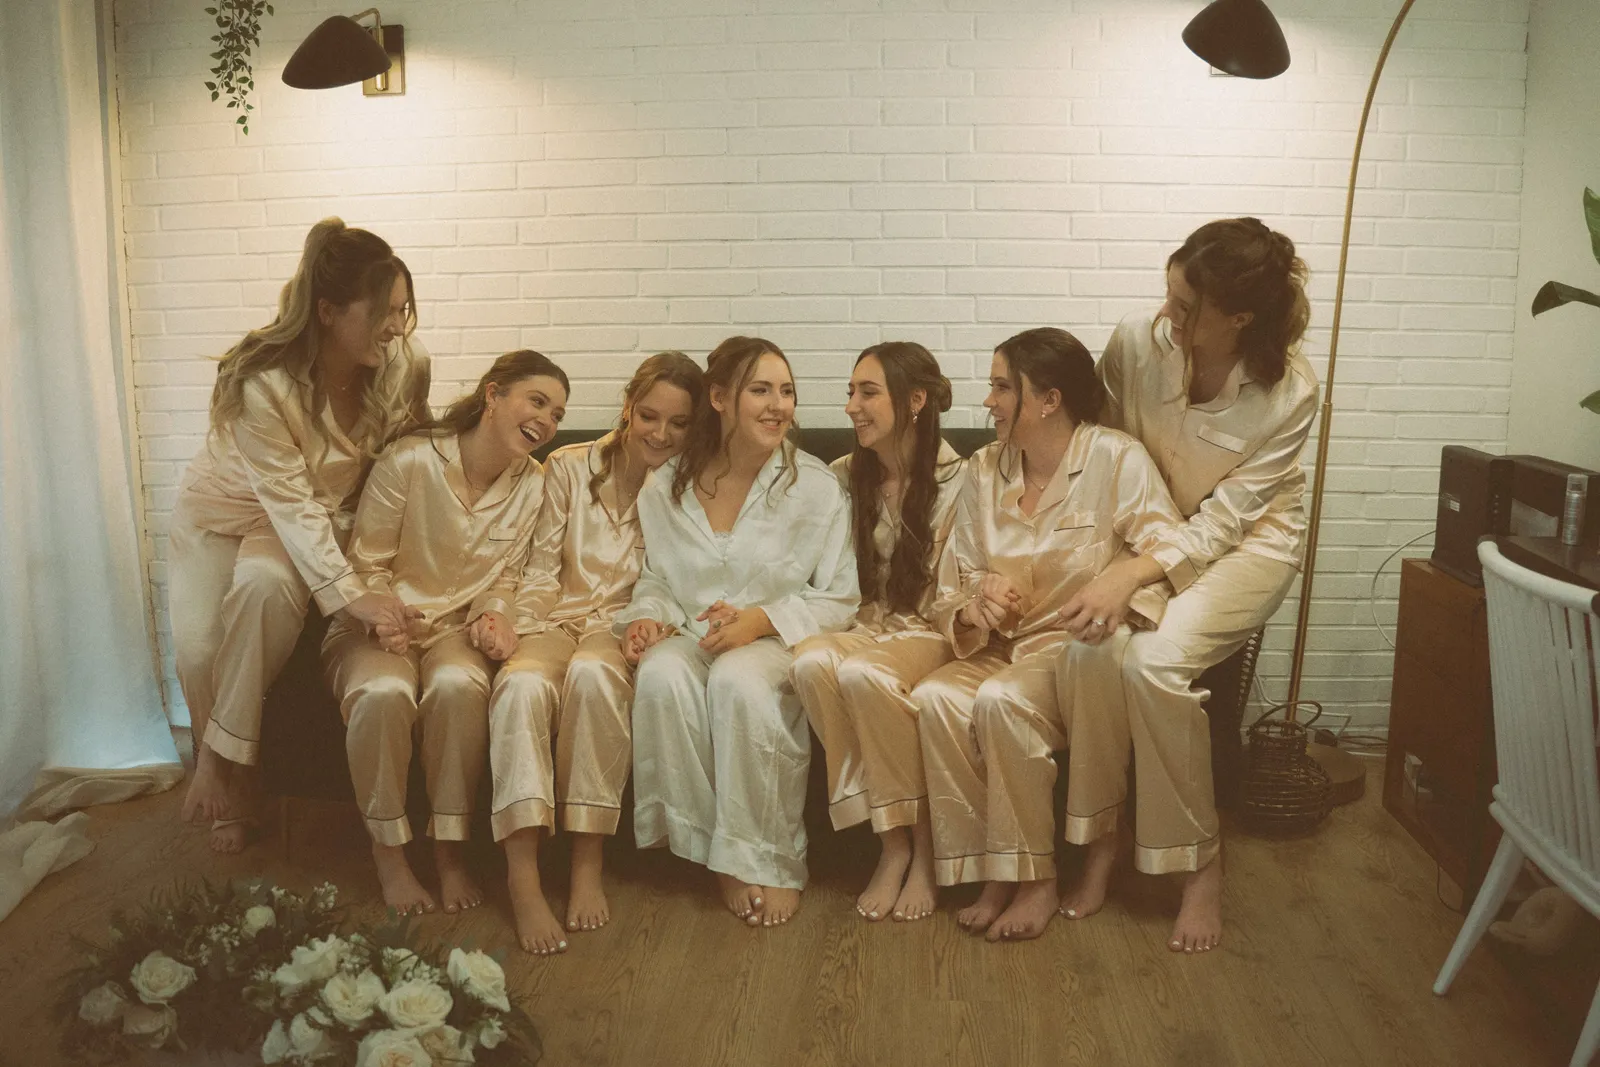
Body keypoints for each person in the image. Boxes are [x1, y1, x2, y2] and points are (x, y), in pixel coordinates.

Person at [1053, 217, 1318, 954]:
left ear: (1241, 318)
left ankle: (1200, 863)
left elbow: (1226, 521)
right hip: (1148, 527)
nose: (1165, 313)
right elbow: (1104, 448)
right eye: (1169, 292)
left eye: (1186, 305)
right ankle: (1103, 841)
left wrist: (1132, 574)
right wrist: (1110, 554)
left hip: (1247, 544)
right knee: (1088, 652)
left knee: (1154, 662)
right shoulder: (1136, 343)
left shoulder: (1290, 392)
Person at [915, 327, 1183, 941]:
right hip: (1001, 648)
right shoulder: (984, 469)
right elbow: (953, 577)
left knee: (1001, 701)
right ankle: (993, 869)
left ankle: (1037, 878)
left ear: (1049, 400)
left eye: (1002, 387)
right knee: (935, 698)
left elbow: (1167, 549)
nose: (988, 401)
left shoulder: (1115, 458)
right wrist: (977, 603)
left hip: (1078, 654)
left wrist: (1117, 595)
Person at [170, 217, 428, 853]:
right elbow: (285, 499)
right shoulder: (264, 380)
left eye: (403, 310)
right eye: (384, 311)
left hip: (309, 516)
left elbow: (414, 448)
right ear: (328, 311)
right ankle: (225, 772)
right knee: (200, 648)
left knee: (263, 588)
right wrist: (349, 595)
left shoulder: (405, 364)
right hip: (229, 509)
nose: (397, 326)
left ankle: (223, 763)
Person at [617, 337, 858, 928]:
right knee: (662, 674)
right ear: (720, 398)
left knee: (737, 681)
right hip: (693, 634)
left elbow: (841, 597)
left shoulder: (816, 487)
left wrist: (763, 619)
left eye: (787, 391)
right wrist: (648, 615)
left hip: (776, 640)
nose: (778, 405)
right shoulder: (668, 484)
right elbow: (656, 578)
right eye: (761, 390)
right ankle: (713, 852)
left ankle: (769, 858)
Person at [322, 350, 569, 915]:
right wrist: (382, 614)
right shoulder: (410, 458)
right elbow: (366, 561)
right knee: (382, 693)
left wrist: (496, 615)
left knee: (460, 685)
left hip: (457, 631)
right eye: (537, 401)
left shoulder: (534, 483)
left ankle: (449, 851)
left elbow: (509, 577)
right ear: (493, 394)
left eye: (557, 414)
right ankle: (389, 854)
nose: (547, 421)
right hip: (376, 623)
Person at [488, 352, 702, 956]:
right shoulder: (567, 465)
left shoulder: (692, 487)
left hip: (624, 628)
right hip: (553, 617)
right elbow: (539, 567)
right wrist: (519, 625)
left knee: (593, 675)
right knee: (521, 685)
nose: (660, 434)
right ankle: (522, 876)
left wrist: (652, 624)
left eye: (678, 423)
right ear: (628, 406)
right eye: (649, 415)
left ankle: (587, 861)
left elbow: (681, 581)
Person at [789, 342, 967, 924]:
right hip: (863, 623)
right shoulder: (844, 476)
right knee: (811, 661)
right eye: (851, 392)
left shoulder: (962, 479)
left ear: (915, 400)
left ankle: (926, 850)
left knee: (866, 675)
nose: (851, 406)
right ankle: (891, 842)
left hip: (932, 627)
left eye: (868, 393)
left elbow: (958, 589)